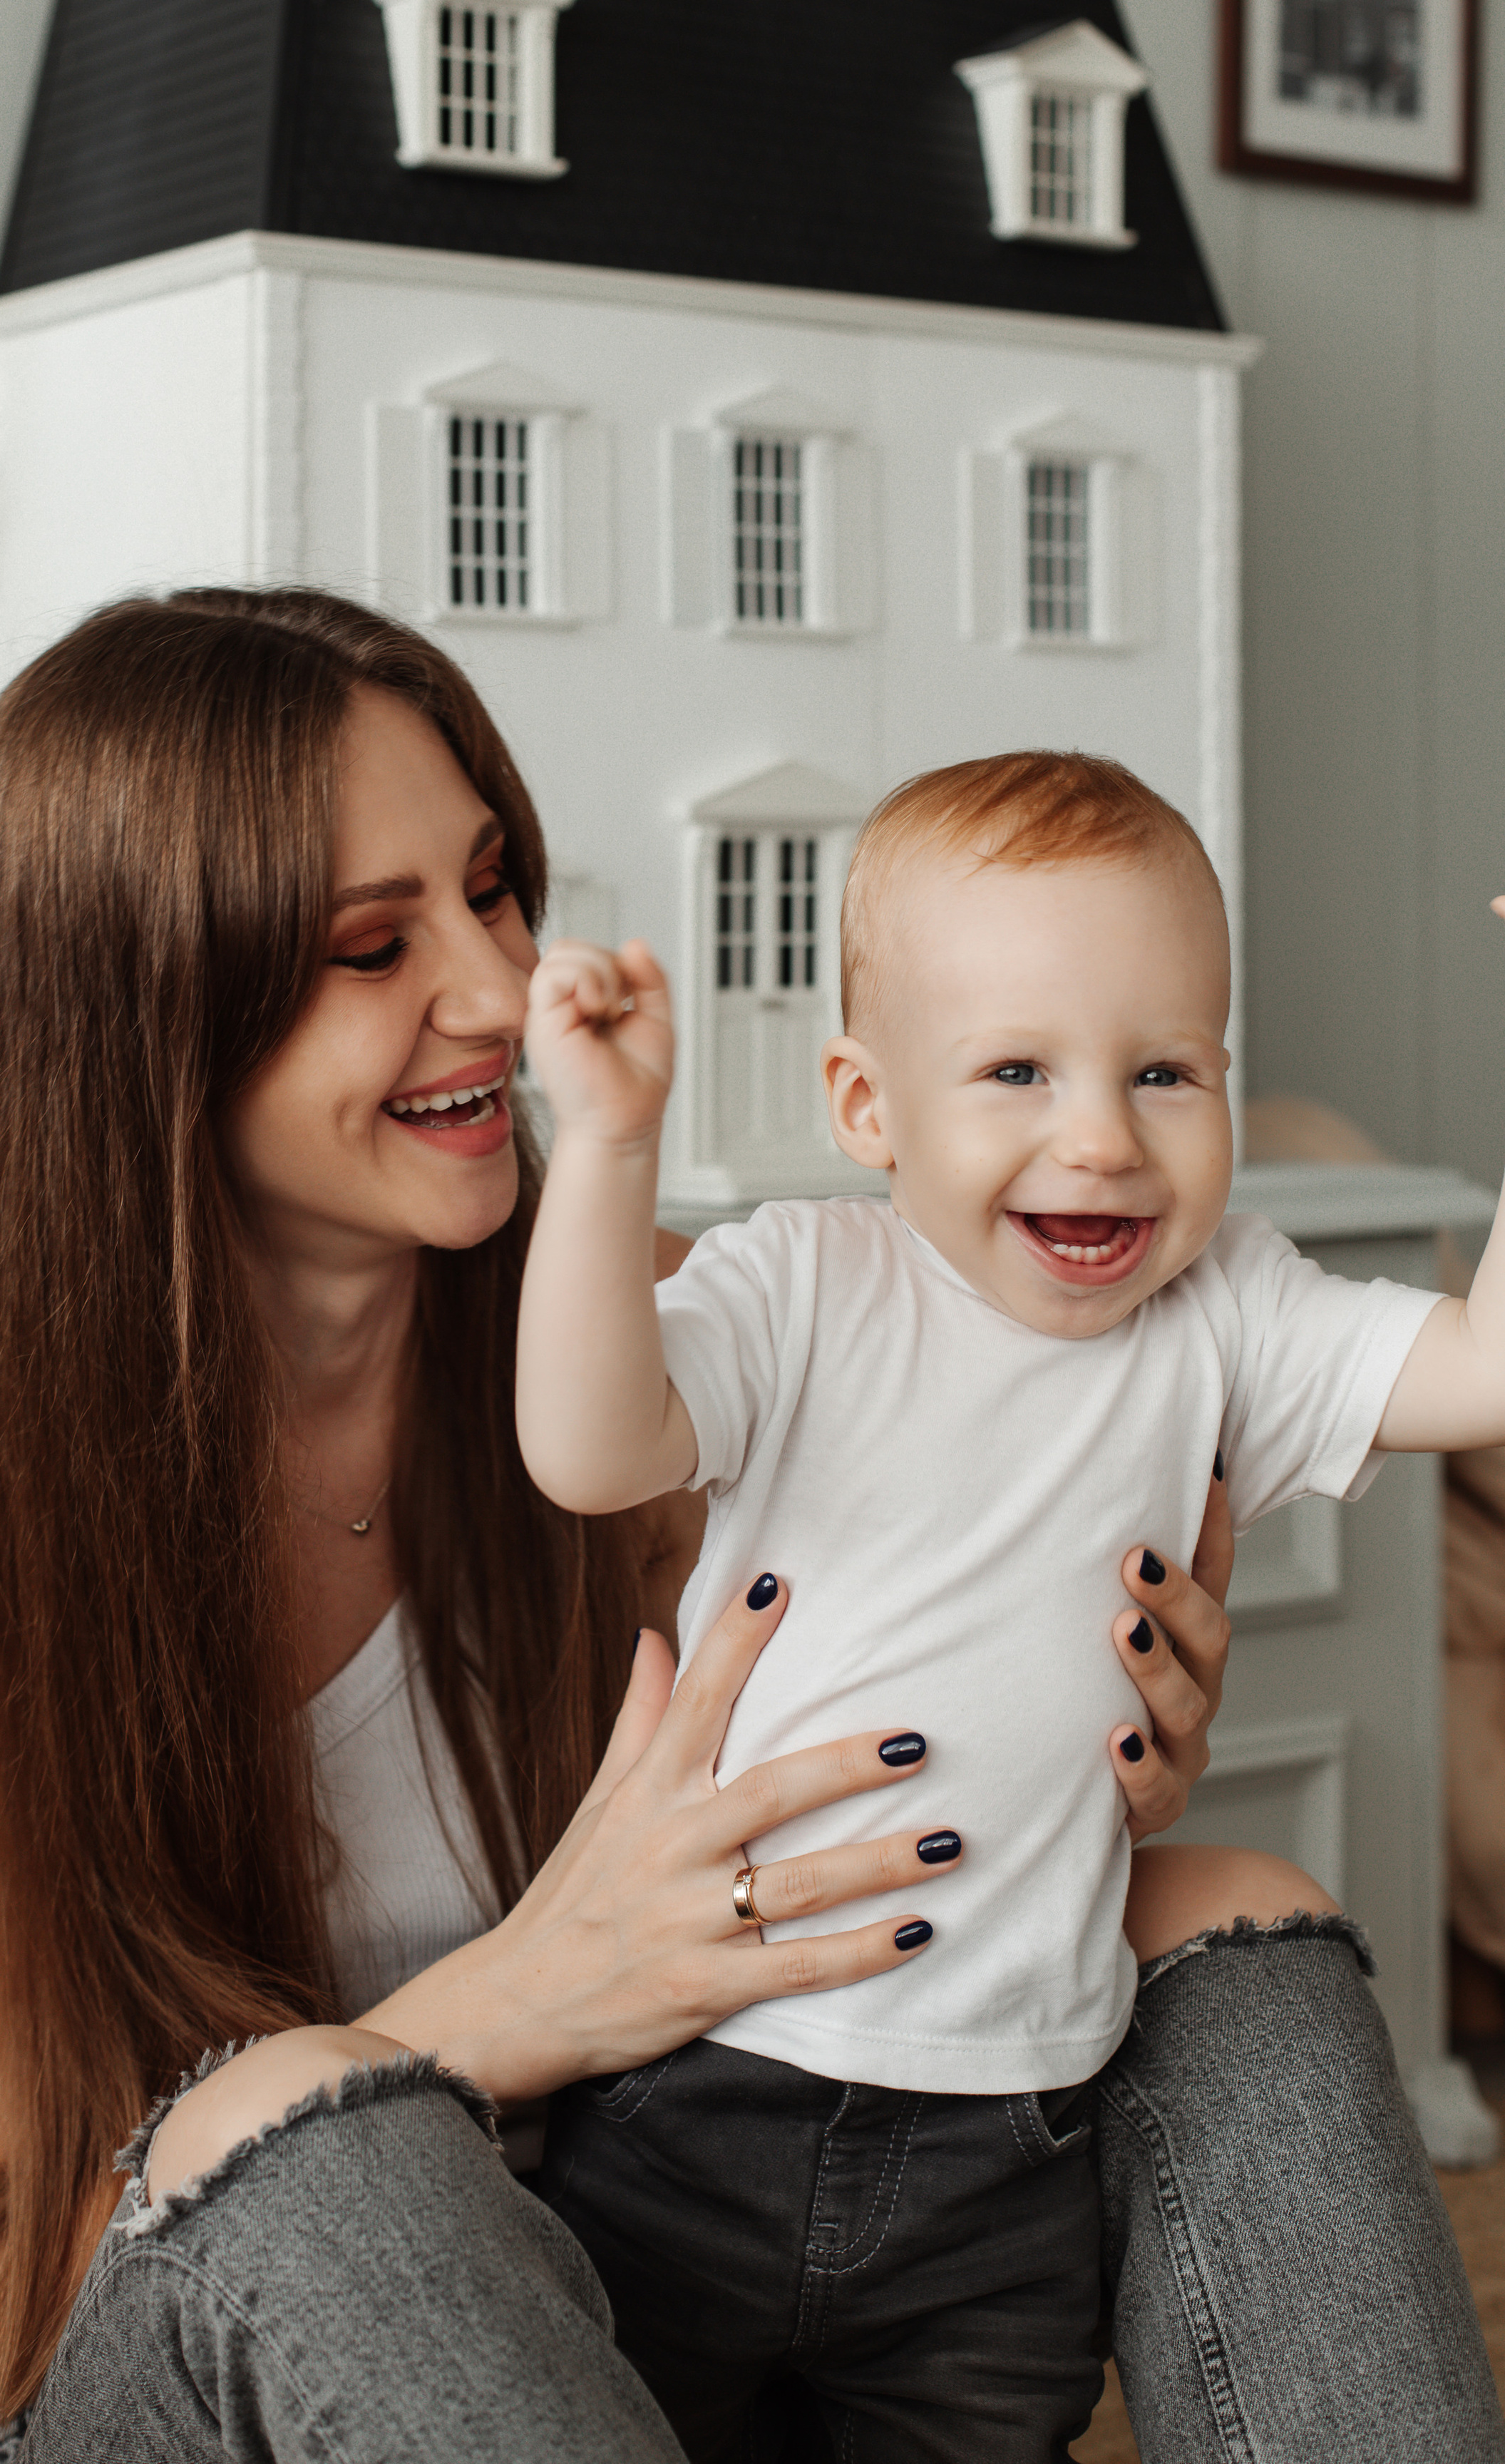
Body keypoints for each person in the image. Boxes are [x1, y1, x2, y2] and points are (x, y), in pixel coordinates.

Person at [0, 595, 1498, 2464]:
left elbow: (887, 1758)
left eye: (495, 894)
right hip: (206, 2362)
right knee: (319, 2122)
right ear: (142, 1012)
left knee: (1237, 1925)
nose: (498, 992)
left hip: (617, 2316)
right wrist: (505, 2015)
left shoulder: (655, 1338)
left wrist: (1084, 1745)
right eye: (370, 945)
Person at [517, 747, 1505, 2460]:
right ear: (865, 1107)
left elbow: (1479, 1372)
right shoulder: (805, 1280)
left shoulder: (1224, 1312)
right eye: (1015, 1071)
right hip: (703, 2092)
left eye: (1162, 1073)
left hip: (1007, 2153)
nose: (1101, 1138)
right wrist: (604, 1146)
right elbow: (590, 1448)